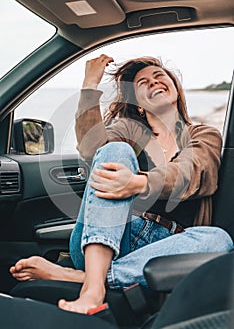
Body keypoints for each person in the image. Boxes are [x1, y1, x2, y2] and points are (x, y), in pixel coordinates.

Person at [10, 55, 233, 314]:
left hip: (171, 244)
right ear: (137, 104)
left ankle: (80, 278)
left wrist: (139, 183)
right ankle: (93, 289)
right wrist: (89, 85)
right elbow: (91, 149)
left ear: (175, 89)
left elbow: (195, 171)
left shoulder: (203, 134)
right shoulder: (127, 131)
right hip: (115, 233)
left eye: (160, 77)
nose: (154, 82)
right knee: (114, 150)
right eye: (143, 82)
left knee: (219, 240)